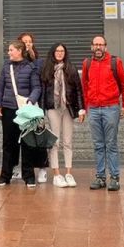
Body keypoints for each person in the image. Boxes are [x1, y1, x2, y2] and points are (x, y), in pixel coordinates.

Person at [81, 35, 124, 192]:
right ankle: (100, 177)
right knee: (98, 145)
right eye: (95, 44)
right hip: (94, 109)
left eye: (101, 44)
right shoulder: (87, 63)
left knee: (111, 144)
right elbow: (84, 87)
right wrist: (84, 107)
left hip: (111, 108)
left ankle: (114, 178)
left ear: (105, 47)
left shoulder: (115, 62)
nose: (98, 47)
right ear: (91, 47)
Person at [0, 39, 43, 188]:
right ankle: (5, 176)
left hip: (25, 110)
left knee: (27, 142)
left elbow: (37, 88)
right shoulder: (6, 67)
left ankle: (29, 176)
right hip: (8, 109)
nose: (8, 52)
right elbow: (0, 88)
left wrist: (30, 100)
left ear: (19, 51)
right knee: (8, 143)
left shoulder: (31, 67)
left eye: (11, 50)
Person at [39, 42, 83, 187]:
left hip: (68, 108)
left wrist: (81, 109)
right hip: (53, 108)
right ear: (53, 53)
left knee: (68, 141)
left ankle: (69, 173)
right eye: (57, 51)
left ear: (65, 53)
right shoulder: (46, 69)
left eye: (62, 51)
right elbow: (43, 92)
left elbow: (78, 90)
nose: (59, 53)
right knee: (54, 142)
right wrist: (41, 112)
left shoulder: (71, 68)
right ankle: (57, 175)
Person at [18, 31, 49, 182]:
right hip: (19, 104)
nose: (27, 44)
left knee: (38, 136)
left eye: (29, 41)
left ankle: (42, 168)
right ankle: (22, 168)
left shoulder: (39, 62)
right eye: (24, 42)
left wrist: (31, 55)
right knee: (21, 138)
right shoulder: (14, 62)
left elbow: (40, 75)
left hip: (36, 103)